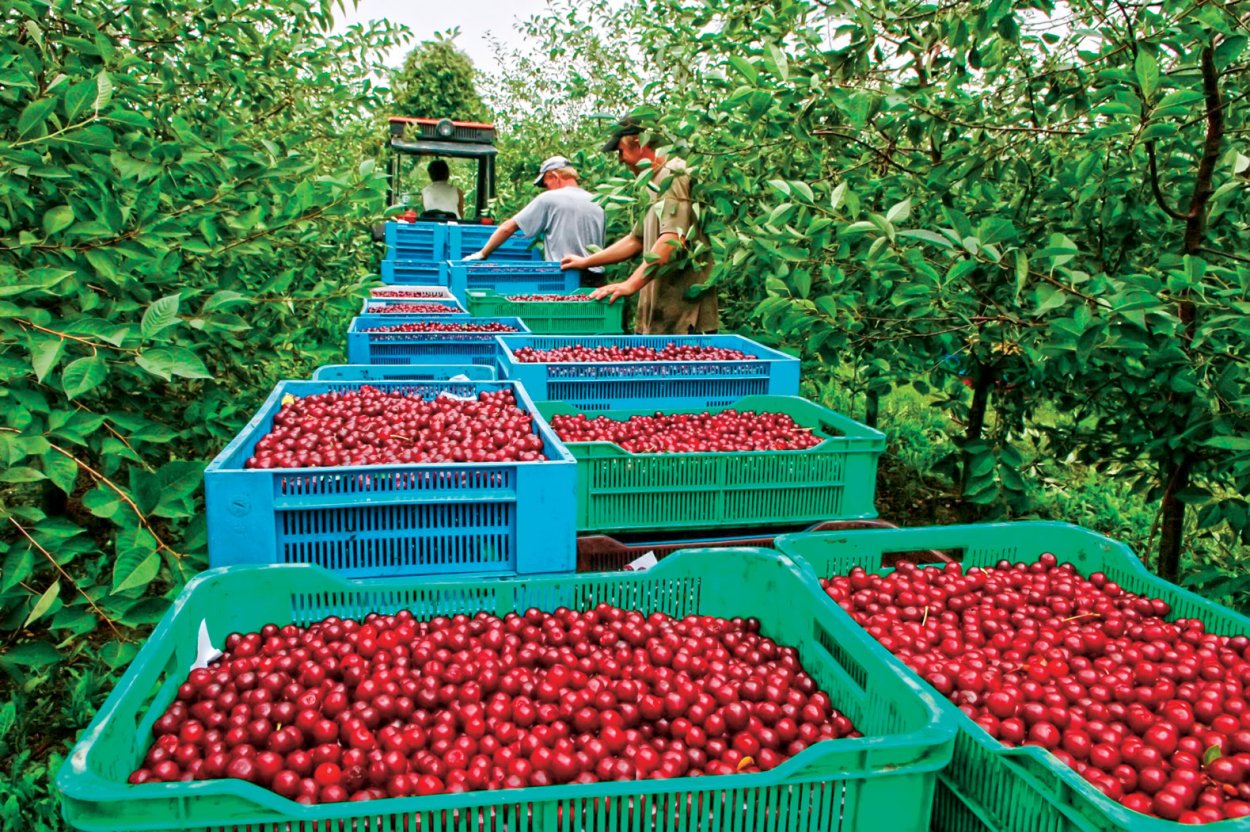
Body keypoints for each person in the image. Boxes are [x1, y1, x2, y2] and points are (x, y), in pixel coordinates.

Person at [559, 117, 717, 335]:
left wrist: (630, 284)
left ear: (639, 143)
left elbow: (672, 239)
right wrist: (587, 261)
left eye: (621, 151)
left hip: (684, 315)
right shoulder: (652, 182)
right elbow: (636, 239)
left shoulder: (673, 175)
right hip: (662, 310)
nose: (621, 159)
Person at [465, 156, 605, 283]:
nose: (546, 189)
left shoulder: (550, 199)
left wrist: (482, 254)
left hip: (564, 276)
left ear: (554, 176)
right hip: (596, 278)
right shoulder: (598, 202)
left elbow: (508, 228)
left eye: (546, 184)